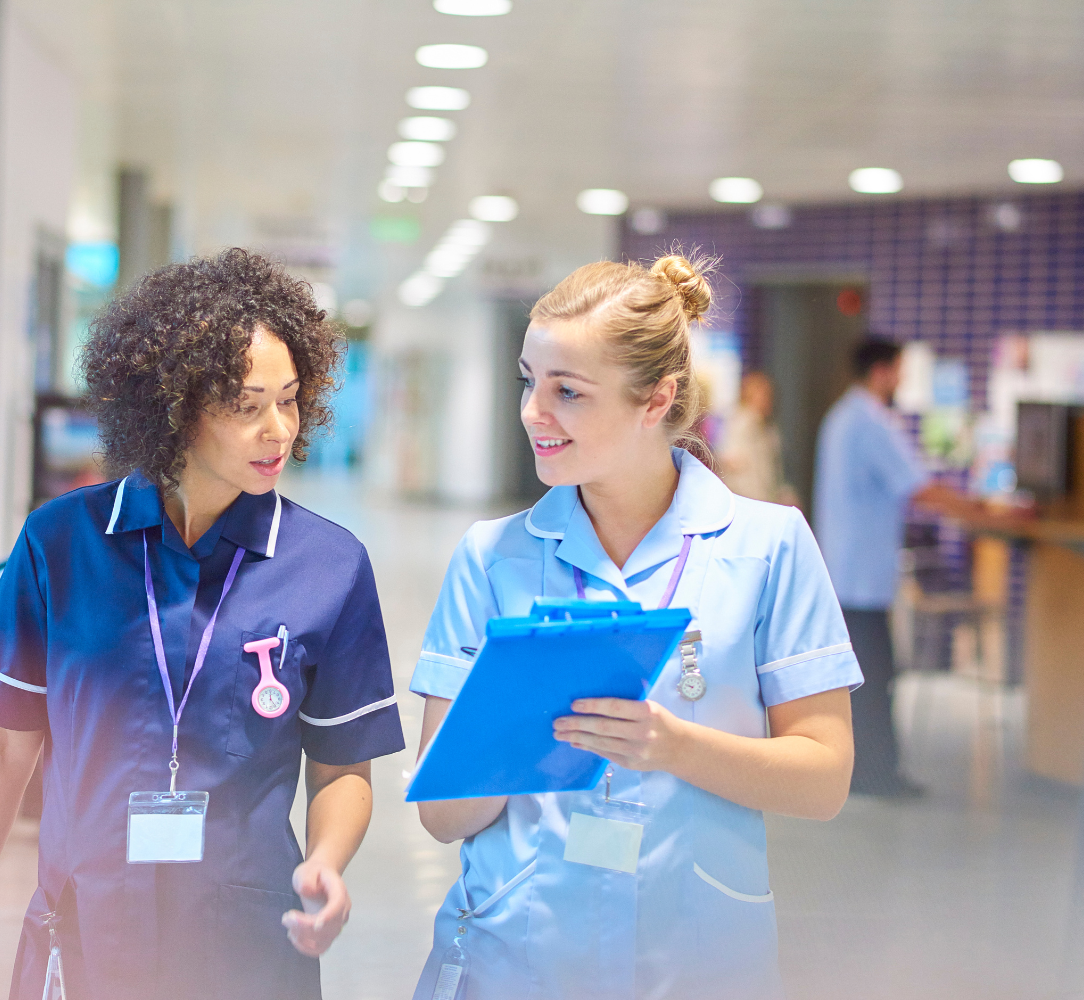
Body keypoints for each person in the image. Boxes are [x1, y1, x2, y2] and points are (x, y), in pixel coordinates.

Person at [0, 248, 406, 1000]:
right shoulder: (61, 545)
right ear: (173, 408)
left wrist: (326, 862)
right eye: (247, 406)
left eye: (290, 398)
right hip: (83, 936)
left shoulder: (328, 566)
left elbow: (344, 767)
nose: (279, 429)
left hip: (247, 948)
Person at [410, 255, 860, 1000]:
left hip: (696, 957)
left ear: (657, 399)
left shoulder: (769, 547)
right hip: (516, 952)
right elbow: (442, 816)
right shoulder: (493, 559)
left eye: (568, 392)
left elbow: (824, 780)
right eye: (529, 380)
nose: (532, 411)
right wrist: (509, 722)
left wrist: (673, 746)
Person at [813, 337, 974, 798]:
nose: (901, 379)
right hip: (861, 579)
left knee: (865, 681)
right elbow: (919, 487)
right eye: (899, 370)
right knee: (875, 681)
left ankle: (866, 772)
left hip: (846, 572)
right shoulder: (869, 421)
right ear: (883, 371)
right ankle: (875, 775)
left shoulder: (843, 416)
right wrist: (982, 511)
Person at [718, 370, 797, 505]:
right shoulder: (740, 425)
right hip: (749, 503)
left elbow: (775, 474)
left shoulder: (769, 430)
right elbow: (735, 469)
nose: (767, 399)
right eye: (762, 393)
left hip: (766, 502)